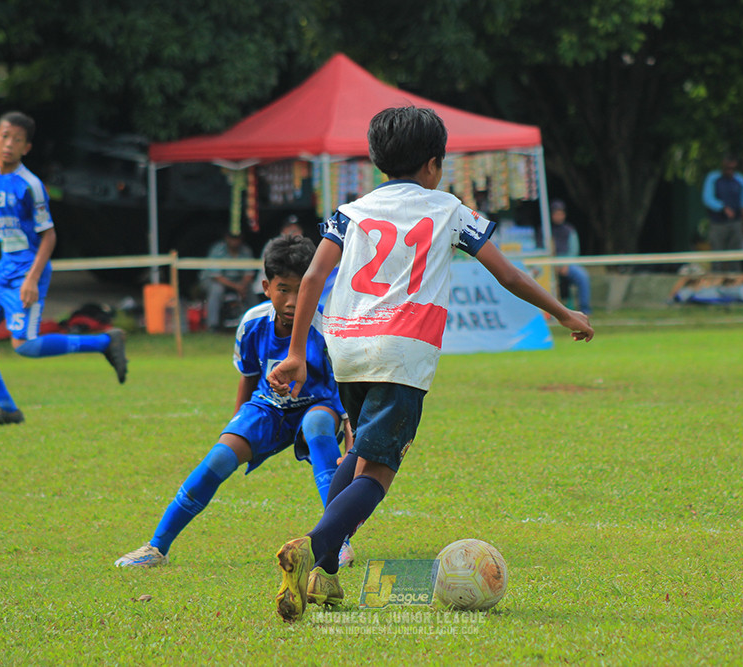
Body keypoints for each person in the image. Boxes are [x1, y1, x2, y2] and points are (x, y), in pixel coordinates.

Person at [266, 106, 594, 622]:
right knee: (379, 472)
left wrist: (294, 354)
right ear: (434, 165)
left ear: (377, 164)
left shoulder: (348, 211)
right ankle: (313, 546)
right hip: (403, 349)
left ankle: (324, 576)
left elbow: (310, 280)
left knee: (357, 451)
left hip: (346, 346)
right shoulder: (448, 209)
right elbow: (507, 275)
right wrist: (563, 312)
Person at [115, 234, 356, 569]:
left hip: (318, 406)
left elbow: (348, 388)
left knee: (316, 426)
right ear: (266, 286)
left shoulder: (327, 326)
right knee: (217, 461)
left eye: (301, 289)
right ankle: (157, 548)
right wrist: (235, 426)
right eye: (283, 288)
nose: (291, 300)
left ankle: (337, 542)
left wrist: (351, 444)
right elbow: (247, 377)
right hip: (267, 407)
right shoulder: (252, 324)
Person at [0, 111, 128, 426]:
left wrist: (32, 279)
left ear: (26, 148)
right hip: (5, 266)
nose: (9, 144)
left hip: (27, 269)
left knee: (26, 346)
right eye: (5, 137)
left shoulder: (31, 185)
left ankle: (105, 341)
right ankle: (7, 409)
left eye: (17, 140)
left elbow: (49, 235)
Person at [200, 230, 256, 331]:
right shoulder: (217, 250)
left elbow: (249, 274)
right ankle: (213, 325)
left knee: (250, 289)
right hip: (216, 280)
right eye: (232, 238)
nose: (235, 241)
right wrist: (237, 287)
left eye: (237, 239)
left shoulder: (245, 251)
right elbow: (216, 275)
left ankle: (255, 322)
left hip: (238, 281)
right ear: (227, 238)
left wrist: (242, 286)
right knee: (217, 289)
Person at [701, 154, 743, 272]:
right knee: (717, 255)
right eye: (727, 167)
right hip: (718, 223)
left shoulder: (740, 179)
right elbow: (707, 198)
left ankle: (734, 283)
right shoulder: (713, 178)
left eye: (732, 168)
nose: (730, 170)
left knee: (735, 256)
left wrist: (742, 219)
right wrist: (722, 208)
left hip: (736, 222)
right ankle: (716, 281)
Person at [549, 199, 591, 315]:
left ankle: (585, 310)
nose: (559, 216)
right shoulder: (545, 230)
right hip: (549, 263)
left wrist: (565, 265)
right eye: (556, 213)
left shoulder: (569, 230)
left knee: (583, 276)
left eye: (560, 213)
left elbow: (574, 250)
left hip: (568, 263)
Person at [252, 215, 305, 300]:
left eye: (296, 230)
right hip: (268, 290)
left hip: (289, 290)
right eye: (290, 229)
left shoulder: (303, 246)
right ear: (283, 231)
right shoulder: (274, 244)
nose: (293, 232)